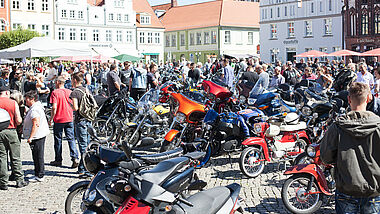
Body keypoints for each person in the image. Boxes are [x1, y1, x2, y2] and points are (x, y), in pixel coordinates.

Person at [320, 82, 380, 214]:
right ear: (369, 98)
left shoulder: (337, 126)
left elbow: (325, 157)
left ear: (348, 99)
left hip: (346, 189)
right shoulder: (378, 125)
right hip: (373, 191)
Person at [0, 86, 28, 190]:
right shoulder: (12, 103)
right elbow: (19, 120)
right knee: (15, 157)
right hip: (11, 131)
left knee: (2, 157)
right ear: (7, 93)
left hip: (0, 132)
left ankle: (3, 182)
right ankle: (19, 180)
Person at [49, 76, 79, 168]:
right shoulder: (70, 91)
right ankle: (75, 157)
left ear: (58, 82)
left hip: (59, 118)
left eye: (55, 82)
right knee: (71, 138)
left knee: (58, 140)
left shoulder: (55, 92)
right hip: (69, 117)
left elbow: (54, 107)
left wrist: (50, 119)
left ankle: (58, 159)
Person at [23, 90, 49, 183]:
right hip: (39, 135)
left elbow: (36, 123)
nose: (25, 101)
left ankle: (40, 175)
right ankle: (38, 173)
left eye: (27, 100)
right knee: (37, 155)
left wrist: (31, 137)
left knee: (38, 155)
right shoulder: (35, 107)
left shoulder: (35, 109)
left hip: (37, 136)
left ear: (32, 99)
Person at [69, 72, 92, 178]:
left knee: (83, 147)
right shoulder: (86, 89)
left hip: (80, 120)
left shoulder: (75, 92)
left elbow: (75, 108)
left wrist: (70, 105)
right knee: (87, 145)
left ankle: (85, 170)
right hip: (88, 119)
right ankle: (83, 168)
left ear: (74, 80)